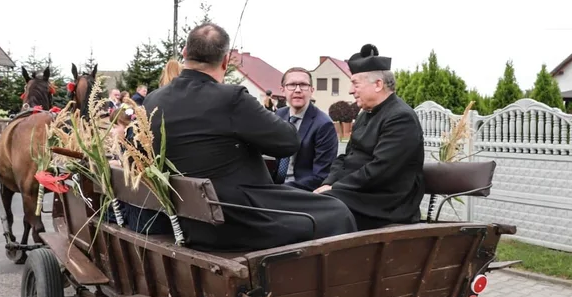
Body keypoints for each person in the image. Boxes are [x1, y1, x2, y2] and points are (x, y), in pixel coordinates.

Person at [143, 22, 357, 250]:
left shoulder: (153, 100)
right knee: (337, 211)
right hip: (241, 219)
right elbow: (288, 142)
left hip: (188, 220)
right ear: (225, 61)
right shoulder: (231, 98)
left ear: (185, 54)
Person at [316, 44, 425, 230]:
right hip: (362, 192)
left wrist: (336, 188)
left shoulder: (400, 117)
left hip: (386, 202)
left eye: (355, 83)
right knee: (306, 199)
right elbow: (346, 158)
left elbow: (381, 170)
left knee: (321, 206)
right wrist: (328, 182)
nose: (351, 90)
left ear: (378, 85)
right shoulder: (365, 114)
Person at [272, 67, 339, 191]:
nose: (298, 90)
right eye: (292, 85)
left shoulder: (324, 124)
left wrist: (280, 189)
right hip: (274, 183)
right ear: (282, 90)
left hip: (302, 190)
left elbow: (321, 176)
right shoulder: (278, 116)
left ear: (311, 90)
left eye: (303, 85)